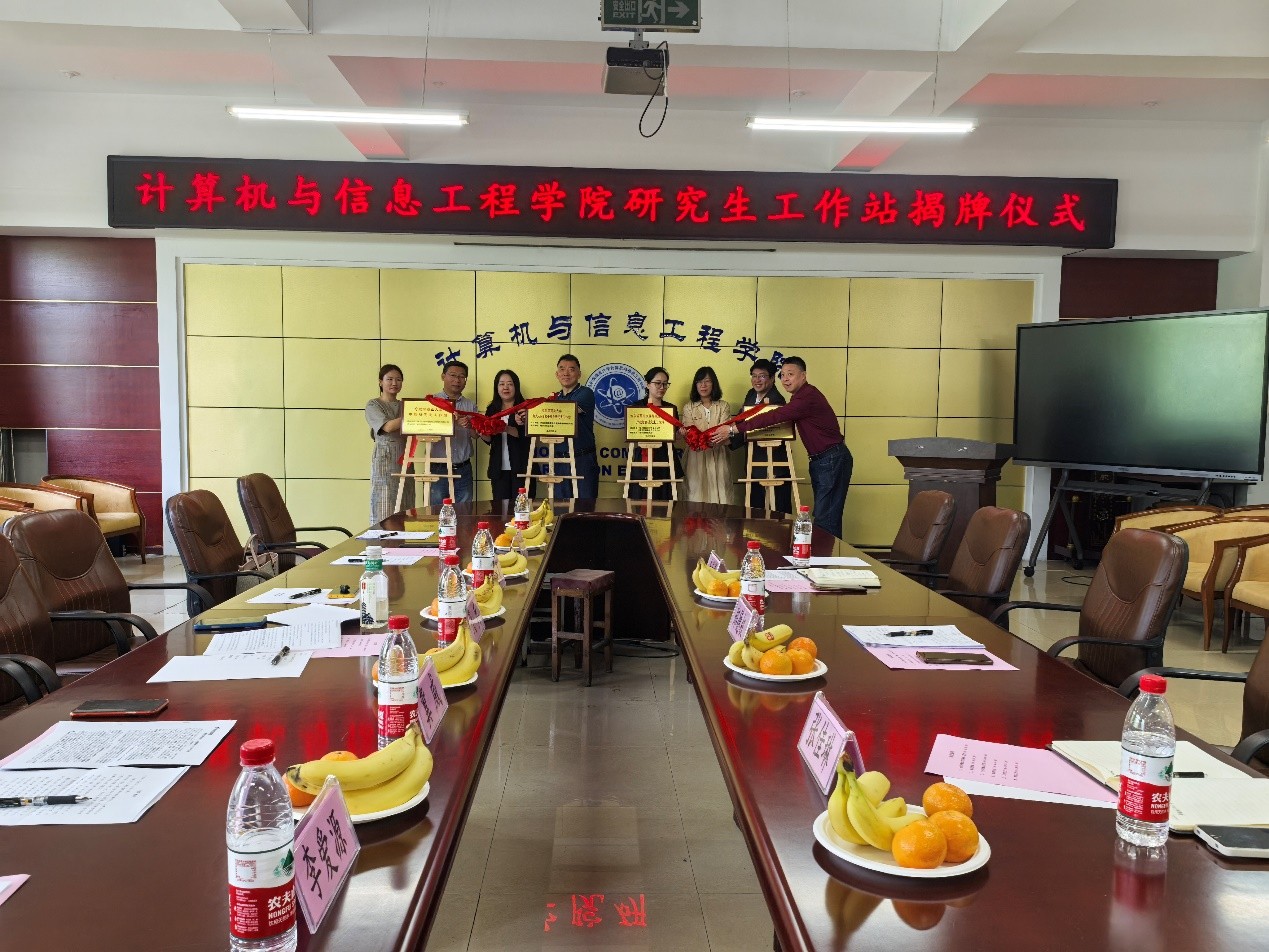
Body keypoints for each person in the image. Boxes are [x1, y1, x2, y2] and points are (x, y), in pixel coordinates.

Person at [713, 356, 852, 538]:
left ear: (803, 375)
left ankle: (825, 555)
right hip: (822, 460)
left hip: (830, 459)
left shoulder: (805, 398)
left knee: (826, 517)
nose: (785, 379)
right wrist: (730, 436)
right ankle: (825, 554)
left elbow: (773, 417)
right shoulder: (798, 396)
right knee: (825, 514)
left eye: (790, 374)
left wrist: (733, 430)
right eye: (783, 375)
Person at [728, 358, 793, 515]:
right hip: (754, 464)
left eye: (762, 376)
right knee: (755, 513)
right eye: (754, 376)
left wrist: (730, 435)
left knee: (778, 513)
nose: (757, 380)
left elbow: (754, 426)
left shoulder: (777, 401)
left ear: (772, 378)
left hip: (774, 466)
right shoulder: (751, 394)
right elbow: (742, 421)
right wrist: (727, 437)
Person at [365, 363, 414, 524]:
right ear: (380, 382)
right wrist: (415, 414)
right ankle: (382, 538)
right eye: (390, 379)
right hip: (384, 458)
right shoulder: (373, 405)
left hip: (405, 457)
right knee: (384, 501)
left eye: (398, 379)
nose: (394, 383)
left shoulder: (404, 405)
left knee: (406, 501)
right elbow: (388, 427)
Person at [549, 353, 598, 499]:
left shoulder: (586, 393)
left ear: (579, 374)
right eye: (562, 369)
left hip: (582, 459)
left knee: (585, 506)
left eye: (571, 369)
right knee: (560, 506)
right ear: (557, 374)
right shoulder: (555, 397)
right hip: (559, 460)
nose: (566, 373)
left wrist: (545, 409)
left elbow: (567, 411)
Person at [625, 367, 679, 501]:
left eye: (665, 384)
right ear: (647, 384)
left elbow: (675, 436)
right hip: (642, 457)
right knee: (640, 497)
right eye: (657, 383)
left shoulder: (671, 409)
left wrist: (680, 433)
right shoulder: (636, 408)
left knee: (663, 497)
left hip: (665, 456)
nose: (662, 387)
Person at [681, 366, 733, 505]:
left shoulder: (723, 406)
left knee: (721, 493)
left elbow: (724, 432)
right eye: (699, 382)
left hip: (719, 453)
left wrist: (708, 439)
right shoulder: (688, 407)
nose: (703, 385)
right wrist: (700, 439)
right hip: (695, 455)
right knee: (695, 493)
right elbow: (691, 435)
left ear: (713, 383)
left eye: (707, 381)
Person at [430, 360, 476, 506]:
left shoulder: (470, 405)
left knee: (465, 512)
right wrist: (448, 422)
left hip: (464, 467)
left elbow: (476, 435)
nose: (457, 380)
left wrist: (469, 425)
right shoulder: (432, 402)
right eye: (453, 375)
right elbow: (424, 431)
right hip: (439, 468)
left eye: (461, 376)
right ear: (443, 376)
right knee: (437, 511)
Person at [482, 369, 531, 501]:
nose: (505, 387)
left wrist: (505, 428)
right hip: (498, 468)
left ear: (516, 386)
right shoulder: (492, 409)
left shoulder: (525, 408)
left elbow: (527, 436)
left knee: (522, 508)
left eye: (510, 384)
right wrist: (481, 431)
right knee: (500, 509)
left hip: (522, 467)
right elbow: (489, 439)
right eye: (501, 384)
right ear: (496, 387)